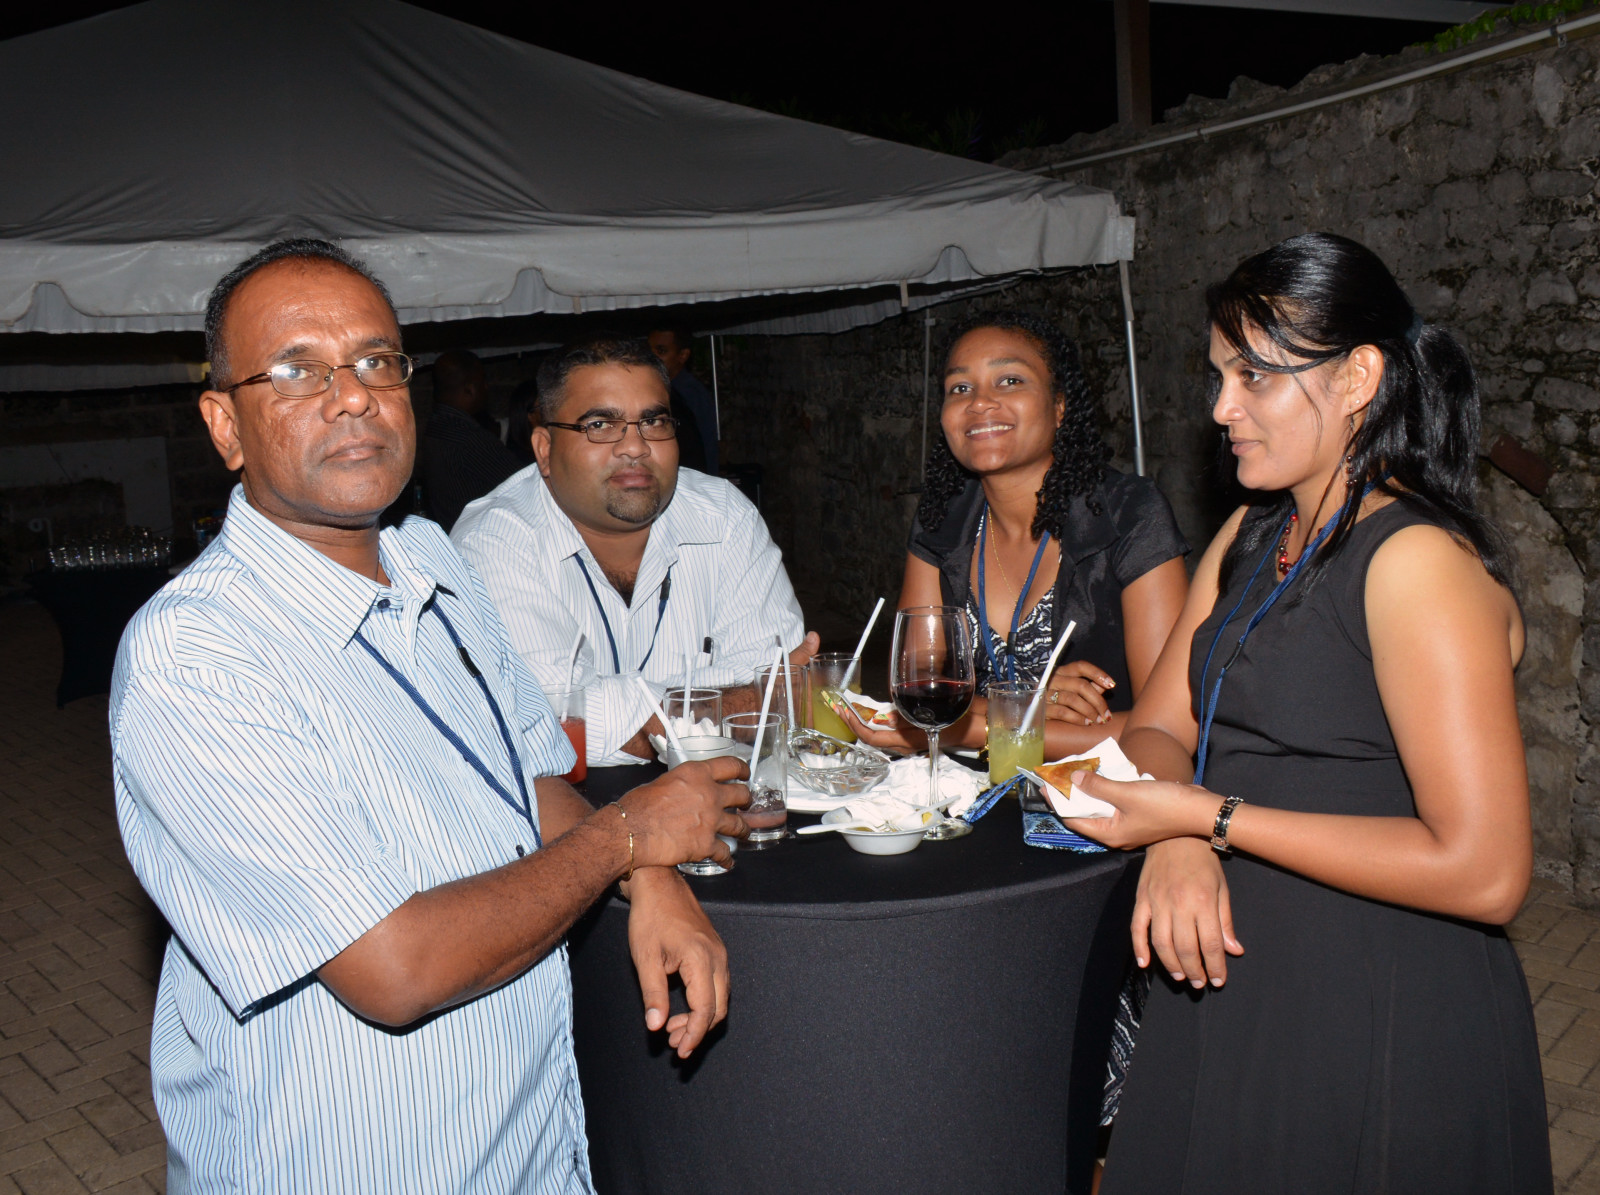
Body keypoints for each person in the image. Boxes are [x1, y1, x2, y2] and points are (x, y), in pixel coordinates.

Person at [111, 239, 750, 1193]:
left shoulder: (432, 559)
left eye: (376, 361)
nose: (352, 396)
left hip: (530, 1146)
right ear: (224, 424)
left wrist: (650, 879)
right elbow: (396, 968)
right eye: (297, 370)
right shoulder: (196, 656)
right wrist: (629, 835)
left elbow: (530, 778)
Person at [1065, 233, 1552, 1192]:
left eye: (1254, 375)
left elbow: (1489, 871)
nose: (1221, 407)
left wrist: (1207, 817)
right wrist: (1178, 841)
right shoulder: (1253, 534)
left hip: (1374, 1000)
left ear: (1359, 376)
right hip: (1234, 971)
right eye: (1219, 376)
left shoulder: (1414, 562)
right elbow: (1157, 725)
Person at [840, 310, 1190, 759]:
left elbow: (1169, 726)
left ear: (1060, 406)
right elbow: (919, 689)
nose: (979, 402)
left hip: (1092, 790)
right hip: (965, 784)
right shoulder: (942, 519)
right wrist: (1026, 706)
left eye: (1009, 381)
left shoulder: (1130, 515)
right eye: (960, 388)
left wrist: (975, 728)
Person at [453, 335, 817, 766]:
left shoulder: (724, 517)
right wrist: (742, 702)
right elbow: (546, 722)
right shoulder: (492, 541)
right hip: (564, 805)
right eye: (600, 425)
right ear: (545, 451)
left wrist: (636, 716)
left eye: (654, 421)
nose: (635, 446)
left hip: (728, 788)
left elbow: (789, 695)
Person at [419, 348, 523, 530]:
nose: (486, 388)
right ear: (470, 389)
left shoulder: (436, 427)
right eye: (483, 382)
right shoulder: (466, 436)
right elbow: (525, 484)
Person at [648, 326, 718, 474]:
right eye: (649, 351)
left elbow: (705, 445)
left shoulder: (689, 393)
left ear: (682, 355)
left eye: (661, 351)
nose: (652, 357)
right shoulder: (657, 388)